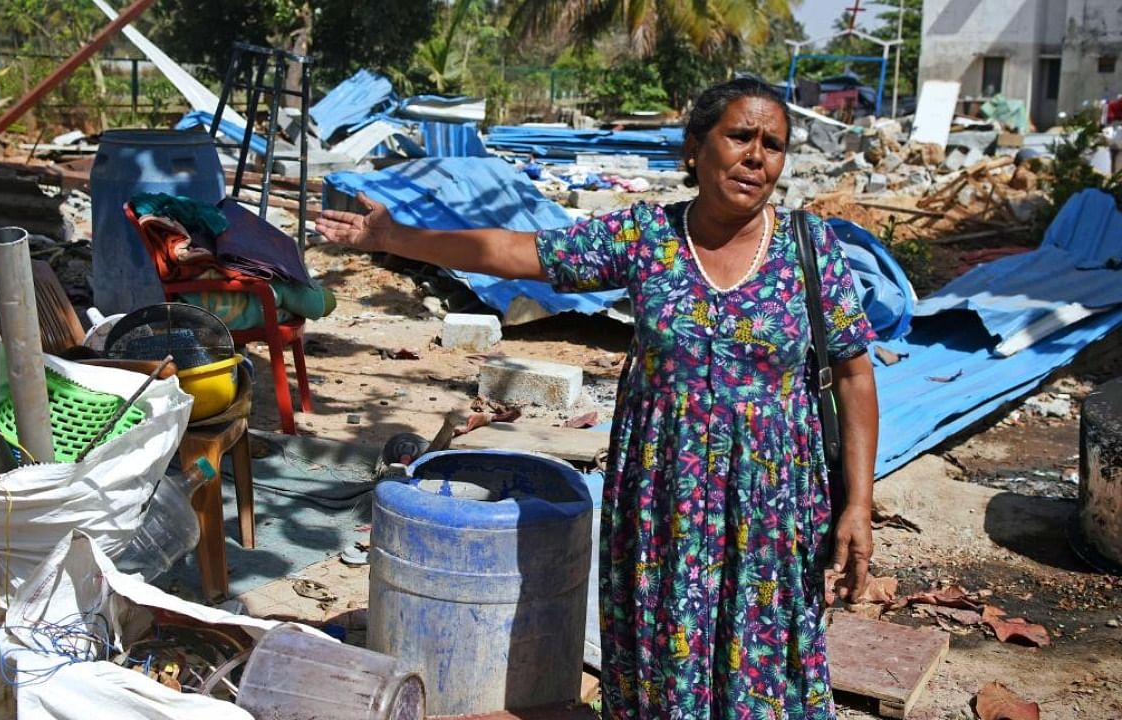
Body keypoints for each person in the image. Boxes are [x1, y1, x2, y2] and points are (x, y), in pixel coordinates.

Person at [317, 77, 879, 720]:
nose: (756, 156)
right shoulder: (647, 239)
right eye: (740, 137)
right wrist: (395, 236)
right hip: (667, 502)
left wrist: (858, 503)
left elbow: (855, 377)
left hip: (773, 506)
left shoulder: (811, 251)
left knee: (765, 659)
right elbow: (517, 252)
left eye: (773, 145)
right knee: (670, 653)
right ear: (696, 147)